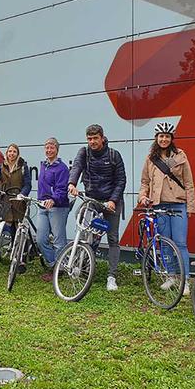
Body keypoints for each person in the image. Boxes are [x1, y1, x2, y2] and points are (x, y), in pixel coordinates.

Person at [138, 123, 195, 295]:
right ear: (156, 138)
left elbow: (189, 183)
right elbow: (145, 181)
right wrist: (142, 196)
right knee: (164, 243)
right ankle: (171, 276)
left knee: (180, 243)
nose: (164, 139)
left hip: (178, 204)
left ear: (172, 138)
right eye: (161, 136)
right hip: (159, 205)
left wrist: (190, 206)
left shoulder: (180, 156)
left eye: (167, 136)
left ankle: (184, 279)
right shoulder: (150, 158)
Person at [68, 123, 126, 291]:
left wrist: (113, 200)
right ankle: (84, 267)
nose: (92, 142)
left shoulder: (114, 155)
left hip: (111, 203)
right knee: (87, 233)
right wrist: (72, 183)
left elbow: (121, 181)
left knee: (113, 238)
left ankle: (111, 277)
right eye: (89, 139)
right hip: (92, 200)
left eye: (95, 138)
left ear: (102, 137)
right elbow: (77, 167)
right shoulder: (84, 152)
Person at [0, 143, 32, 270]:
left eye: (14, 151)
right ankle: (15, 255)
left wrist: (22, 194)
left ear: (17, 153)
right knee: (12, 229)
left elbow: (28, 184)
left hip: (19, 201)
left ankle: (21, 258)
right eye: (9, 151)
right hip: (7, 201)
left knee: (20, 228)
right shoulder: (2, 166)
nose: (11, 154)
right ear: (7, 153)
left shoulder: (23, 166)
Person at [35, 137, 70, 282]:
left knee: (58, 240)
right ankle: (53, 264)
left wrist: (53, 199)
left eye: (52, 148)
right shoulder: (43, 165)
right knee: (40, 239)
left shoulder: (62, 168)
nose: (49, 150)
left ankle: (59, 270)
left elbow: (62, 189)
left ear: (57, 149)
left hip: (58, 207)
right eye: (47, 148)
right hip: (42, 206)